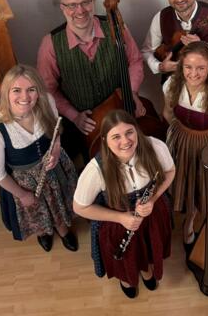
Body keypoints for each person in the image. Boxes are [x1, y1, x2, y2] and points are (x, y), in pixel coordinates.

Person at [37, 0, 146, 161]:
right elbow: (48, 90)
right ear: (62, 8)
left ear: (93, 2)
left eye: (85, 2)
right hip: (83, 125)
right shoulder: (50, 44)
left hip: (120, 109)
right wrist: (74, 116)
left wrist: (132, 92)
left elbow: (135, 61)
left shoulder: (117, 28)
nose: (80, 10)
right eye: (72, 5)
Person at [73, 109, 175, 299]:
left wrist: (152, 199)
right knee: (126, 258)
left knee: (149, 247)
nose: (126, 141)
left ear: (136, 130)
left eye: (129, 132)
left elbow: (170, 172)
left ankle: (146, 269)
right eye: (116, 137)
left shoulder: (154, 146)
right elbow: (79, 207)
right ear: (105, 140)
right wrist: (121, 218)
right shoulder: (95, 170)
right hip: (118, 223)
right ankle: (126, 278)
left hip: (150, 214)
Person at [0, 64, 78, 252]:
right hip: (26, 184)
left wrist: (55, 151)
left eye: (31, 90)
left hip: (54, 170)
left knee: (58, 203)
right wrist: (22, 195)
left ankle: (63, 230)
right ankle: (44, 233)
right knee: (37, 211)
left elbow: (56, 132)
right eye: (16, 90)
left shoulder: (47, 101)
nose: (25, 97)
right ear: (6, 93)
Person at [162, 41, 208, 250]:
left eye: (201, 68)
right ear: (181, 65)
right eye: (188, 67)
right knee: (176, 179)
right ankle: (176, 209)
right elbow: (167, 113)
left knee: (197, 185)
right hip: (178, 138)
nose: (193, 74)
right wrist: (179, 135)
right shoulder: (172, 84)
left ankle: (189, 222)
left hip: (206, 145)